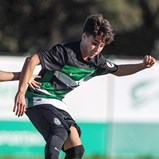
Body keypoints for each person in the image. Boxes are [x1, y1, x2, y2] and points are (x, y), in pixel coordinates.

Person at [7, 14, 155, 159]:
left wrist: (143, 65)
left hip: (56, 101)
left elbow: (119, 70)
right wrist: (21, 92)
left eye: (102, 45)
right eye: (95, 43)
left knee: (76, 150)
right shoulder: (65, 53)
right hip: (38, 96)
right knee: (59, 131)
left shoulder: (96, 62)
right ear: (84, 36)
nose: (97, 49)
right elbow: (31, 59)